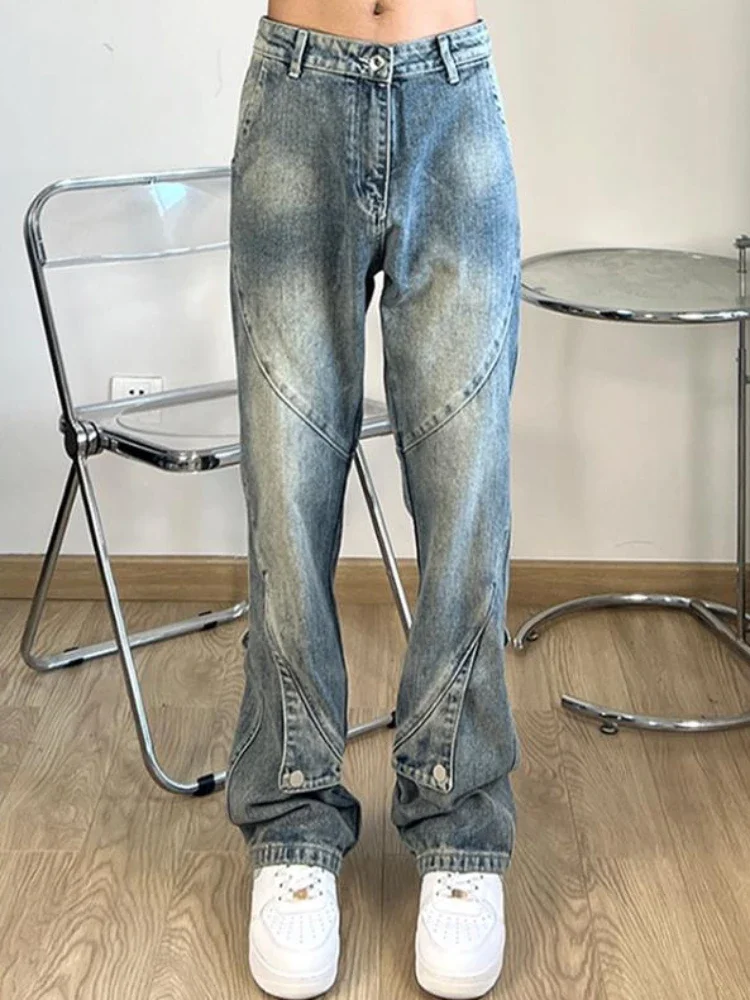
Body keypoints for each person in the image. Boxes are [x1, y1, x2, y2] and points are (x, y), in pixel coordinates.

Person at [226, 0, 521, 996]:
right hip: (296, 99)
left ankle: (460, 821)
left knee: (467, 493)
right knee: (287, 493)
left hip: (453, 95)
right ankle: (294, 819)